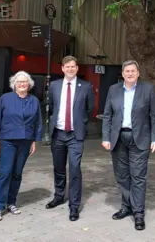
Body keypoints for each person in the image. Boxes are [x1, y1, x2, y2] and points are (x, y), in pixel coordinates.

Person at [101, 60, 155, 231]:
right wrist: (106, 137)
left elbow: (154, 116)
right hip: (118, 138)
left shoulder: (148, 89)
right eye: (127, 71)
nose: (130, 73)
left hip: (140, 138)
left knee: (138, 177)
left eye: (133, 71)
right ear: (122, 73)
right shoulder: (113, 90)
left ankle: (138, 213)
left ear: (138, 73)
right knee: (122, 176)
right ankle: (126, 207)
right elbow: (108, 115)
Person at [45, 55, 95, 222]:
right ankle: (59, 196)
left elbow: (89, 108)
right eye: (67, 67)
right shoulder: (54, 86)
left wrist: (80, 122)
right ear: (63, 68)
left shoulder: (86, 86)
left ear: (77, 68)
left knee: (74, 168)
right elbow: (52, 106)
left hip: (75, 135)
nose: (70, 69)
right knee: (58, 167)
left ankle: (74, 205)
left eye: (73, 66)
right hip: (58, 133)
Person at [0, 71, 42, 221]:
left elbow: (37, 121)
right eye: (19, 82)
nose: (21, 84)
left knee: (17, 173)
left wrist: (34, 140)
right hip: (7, 140)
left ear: (29, 84)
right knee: (5, 172)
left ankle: (11, 202)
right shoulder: (5, 99)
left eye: (24, 82)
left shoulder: (34, 101)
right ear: (14, 84)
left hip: (25, 141)